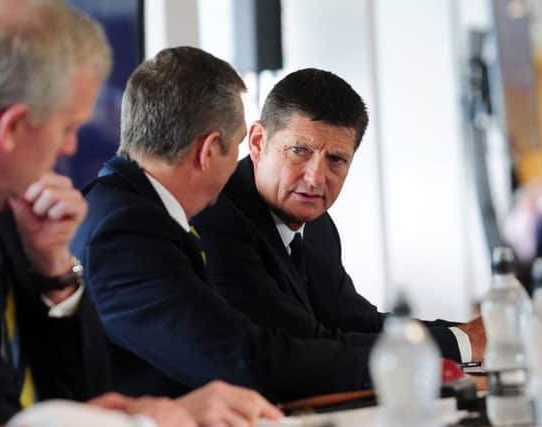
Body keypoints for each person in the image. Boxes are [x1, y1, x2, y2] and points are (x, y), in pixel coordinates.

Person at [0, 1, 280, 426]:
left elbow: (82, 398)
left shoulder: (11, 214)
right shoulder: (109, 219)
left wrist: (54, 273)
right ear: (13, 128)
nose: (70, 148)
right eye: (67, 128)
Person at [71, 47, 376, 403]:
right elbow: (244, 360)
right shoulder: (125, 231)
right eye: (235, 149)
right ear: (210, 150)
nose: (239, 166)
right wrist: (398, 364)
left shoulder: (131, 212)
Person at [191, 68, 485, 363]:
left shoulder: (318, 225)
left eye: (336, 159)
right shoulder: (216, 218)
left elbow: (355, 320)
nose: (315, 178)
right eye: (299, 151)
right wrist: (460, 343)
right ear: (257, 142)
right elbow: (301, 344)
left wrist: (469, 333)